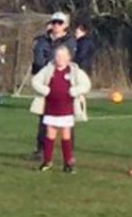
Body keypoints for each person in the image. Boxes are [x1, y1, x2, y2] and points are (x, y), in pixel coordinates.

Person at [30, 44, 90, 173]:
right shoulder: (48, 70)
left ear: (68, 58)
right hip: (51, 108)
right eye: (57, 56)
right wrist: (45, 90)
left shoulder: (74, 71)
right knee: (49, 135)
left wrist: (74, 91)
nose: (60, 59)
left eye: (63, 56)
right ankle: (47, 161)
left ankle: (68, 163)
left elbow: (86, 84)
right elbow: (35, 81)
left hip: (66, 108)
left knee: (66, 135)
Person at [30, 12, 78, 158]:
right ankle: (41, 149)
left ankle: (69, 153)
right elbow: (38, 60)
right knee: (44, 118)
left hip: (64, 83)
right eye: (54, 22)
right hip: (46, 82)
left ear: (65, 25)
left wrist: (53, 61)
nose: (56, 25)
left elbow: (65, 60)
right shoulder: (42, 40)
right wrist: (50, 64)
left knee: (67, 120)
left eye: (60, 22)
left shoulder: (70, 41)